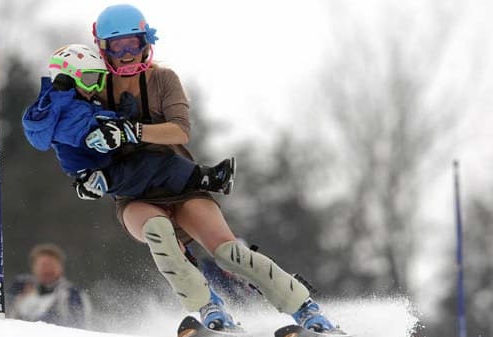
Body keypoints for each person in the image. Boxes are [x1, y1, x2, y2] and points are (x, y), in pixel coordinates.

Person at [72, 4, 344, 334]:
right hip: (133, 194)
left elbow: (179, 130)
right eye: (118, 46)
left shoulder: (162, 79)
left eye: (133, 43)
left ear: (146, 42)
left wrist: (133, 131)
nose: (127, 53)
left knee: (229, 252)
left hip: (180, 185)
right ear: (103, 48)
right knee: (159, 232)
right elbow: (69, 137)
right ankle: (210, 309)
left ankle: (307, 312)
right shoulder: (94, 88)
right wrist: (82, 178)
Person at [22, 44, 235, 200]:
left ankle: (199, 183)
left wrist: (122, 117)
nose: (94, 88)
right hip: (98, 171)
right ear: (65, 79)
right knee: (155, 165)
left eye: (98, 81)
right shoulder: (62, 112)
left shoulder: (72, 104)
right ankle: (208, 179)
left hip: (103, 161)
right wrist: (117, 123)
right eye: (89, 80)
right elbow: (87, 131)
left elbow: (96, 121)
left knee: (152, 160)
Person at [10, 243, 92, 329]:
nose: (47, 270)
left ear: (61, 268)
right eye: (43, 265)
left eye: (52, 265)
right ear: (34, 268)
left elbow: (79, 326)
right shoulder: (23, 294)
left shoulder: (71, 295)